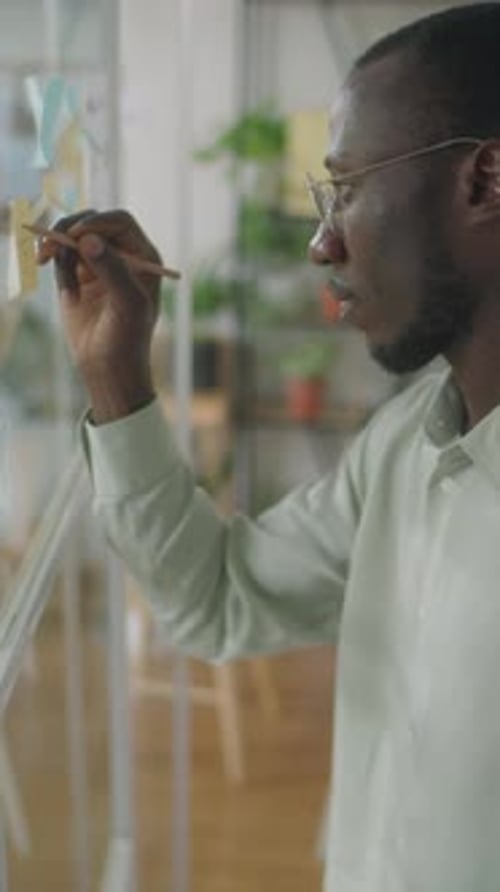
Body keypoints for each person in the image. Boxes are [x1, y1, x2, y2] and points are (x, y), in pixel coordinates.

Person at [38, 4, 500, 890]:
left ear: (484, 182)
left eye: (349, 188)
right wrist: (118, 377)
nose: (323, 242)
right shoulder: (404, 446)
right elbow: (217, 596)